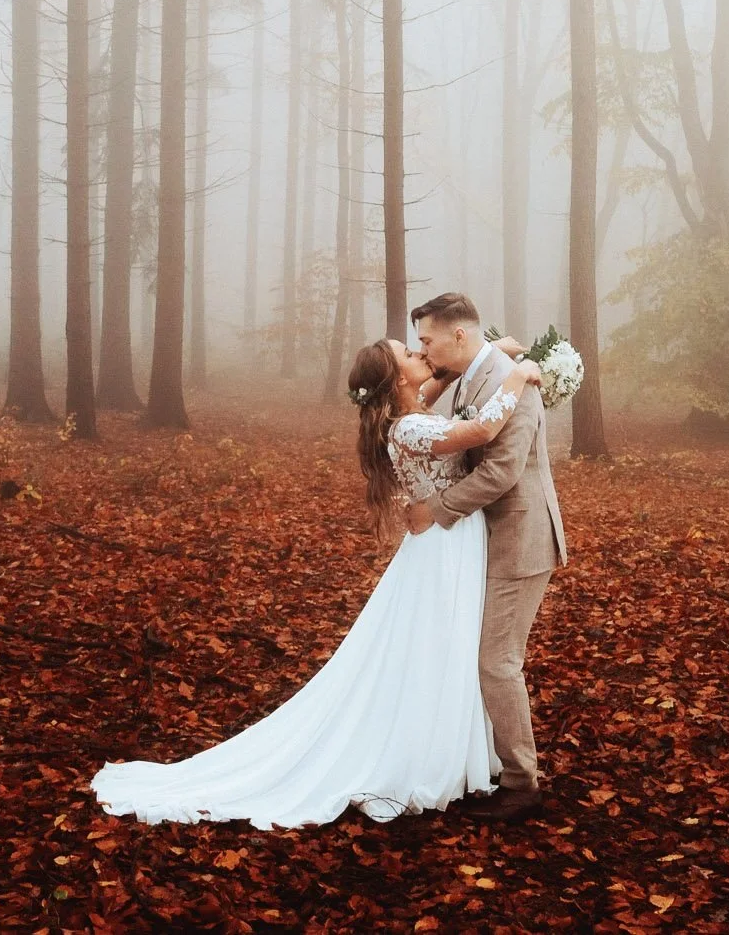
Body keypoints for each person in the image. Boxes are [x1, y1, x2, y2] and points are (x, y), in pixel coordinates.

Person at [88, 333, 542, 829]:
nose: (419, 354)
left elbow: (439, 379)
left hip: (453, 538)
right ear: (394, 379)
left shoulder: (412, 405)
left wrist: (493, 352)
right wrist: (518, 377)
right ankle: (422, 750)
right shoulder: (408, 427)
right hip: (442, 547)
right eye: (407, 354)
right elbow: (476, 433)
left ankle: (451, 745)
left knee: (448, 646)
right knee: (435, 645)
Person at [405, 292, 568, 822]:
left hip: (521, 539)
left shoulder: (509, 379)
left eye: (426, 338)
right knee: (482, 656)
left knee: (496, 661)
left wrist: (439, 509)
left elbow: (502, 472)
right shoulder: (479, 369)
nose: (421, 348)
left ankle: (522, 783)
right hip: (488, 539)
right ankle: (488, 761)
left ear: (458, 335)